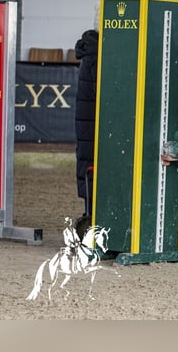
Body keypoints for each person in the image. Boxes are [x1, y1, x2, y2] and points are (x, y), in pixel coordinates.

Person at [73, 14, 99, 237]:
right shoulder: (96, 55)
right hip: (93, 121)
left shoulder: (92, 51)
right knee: (91, 166)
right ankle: (91, 221)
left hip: (90, 120)